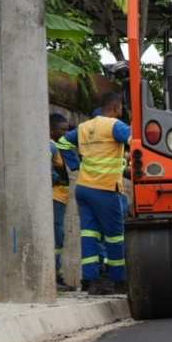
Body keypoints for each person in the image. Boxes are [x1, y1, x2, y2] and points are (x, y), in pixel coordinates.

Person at [57, 92, 130, 295]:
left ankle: (91, 281)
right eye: (121, 107)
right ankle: (118, 281)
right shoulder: (115, 126)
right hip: (106, 189)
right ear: (116, 107)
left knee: (89, 235)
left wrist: (75, 165)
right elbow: (138, 140)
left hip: (84, 188)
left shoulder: (84, 127)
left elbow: (62, 143)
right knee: (114, 237)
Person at [49, 112, 77, 291]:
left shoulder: (59, 146)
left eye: (67, 130)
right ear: (51, 130)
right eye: (62, 130)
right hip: (55, 197)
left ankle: (55, 275)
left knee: (59, 237)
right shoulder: (51, 146)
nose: (65, 134)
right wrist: (55, 179)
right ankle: (54, 276)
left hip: (60, 197)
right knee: (57, 237)